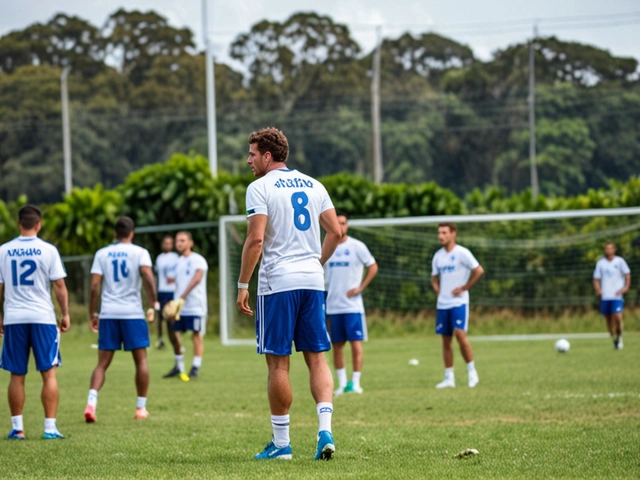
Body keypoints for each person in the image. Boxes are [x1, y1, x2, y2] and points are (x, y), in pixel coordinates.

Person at [237, 127, 342, 461]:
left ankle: (282, 444)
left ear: (267, 155)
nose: (249, 160)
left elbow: (255, 240)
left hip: (277, 283)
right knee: (316, 357)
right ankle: (325, 430)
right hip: (313, 281)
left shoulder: (259, 187)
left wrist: (242, 285)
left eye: (252, 154)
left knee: (278, 365)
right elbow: (336, 232)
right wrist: (315, 262)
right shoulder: (314, 184)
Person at [0, 205, 70, 440]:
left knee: (16, 375)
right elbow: (59, 286)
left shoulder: (4, 251)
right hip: (43, 318)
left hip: (14, 318)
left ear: (19, 224)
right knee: (48, 374)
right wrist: (66, 313)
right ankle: (50, 428)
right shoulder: (48, 250)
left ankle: (17, 428)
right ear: (38, 224)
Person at [84, 216, 158, 422]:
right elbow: (148, 277)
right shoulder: (140, 252)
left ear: (115, 234)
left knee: (102, 364)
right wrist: (154, 303)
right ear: (132, 233)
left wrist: (93, 313)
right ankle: (140, 408)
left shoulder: (102, 254)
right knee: (141, 361)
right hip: (132, 313)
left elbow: (94, 286)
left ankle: (91, 403)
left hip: (108, 313)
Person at [324, 212, 378, 395]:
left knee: (356, 344)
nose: (341, 226)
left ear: (347, 225)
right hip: (333, 305)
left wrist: (361, 287)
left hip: (352, 306)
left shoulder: (357, 246)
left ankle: (355, 383)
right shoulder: (327, 247)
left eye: (343, 223)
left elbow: (373, 266)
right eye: (337, 223)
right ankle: (341, 384)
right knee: (337, 346)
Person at [430, 222, 484, 389]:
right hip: (443, 304)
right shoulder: (438, 256)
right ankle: (449, 378)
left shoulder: (462, 253)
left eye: (444, 233)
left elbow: (478, 270)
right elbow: (434, 277)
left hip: (459, 302)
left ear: (453, 234)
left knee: (460, 335)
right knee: (446, 341)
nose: (441, 236)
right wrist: (438, 290)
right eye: (439, 233)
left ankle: (472, 372)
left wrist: (464, 287)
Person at [163, 231, 208, 381]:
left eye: (183, 240)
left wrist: (183, 295)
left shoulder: (198, 260)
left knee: (196, 335)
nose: (179, 243)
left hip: (195, 305)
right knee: (174, 335)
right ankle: (179, 366)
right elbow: (172, 282)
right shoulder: (176, 262)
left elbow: (197, 279)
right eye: (177, 241)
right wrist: (172, 302)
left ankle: (195, 367)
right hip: (179, 307)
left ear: (191, 243)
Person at [593, 242, 631, 350]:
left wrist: (625, 288)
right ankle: (614, 339)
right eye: (606, 249)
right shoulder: (601, 263)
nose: (608, 251)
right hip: (606, 296)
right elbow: (596, 278)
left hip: (616, 295)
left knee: (618, 317)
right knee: (608, 321)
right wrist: (598, 289)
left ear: (614, 250)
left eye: (610, 248)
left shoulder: (620, 261)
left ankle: (619, 337)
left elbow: (627, 274)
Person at [155, 235, 179, 350]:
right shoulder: (159, 258)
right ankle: (160, 340)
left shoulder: (176, 257)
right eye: (165, 243)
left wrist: (174, 280)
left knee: (172, 317)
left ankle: (176, 340)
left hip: (172, 291)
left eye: (169, 243)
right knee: (160, 318)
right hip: (161, 291)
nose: (167, 245)